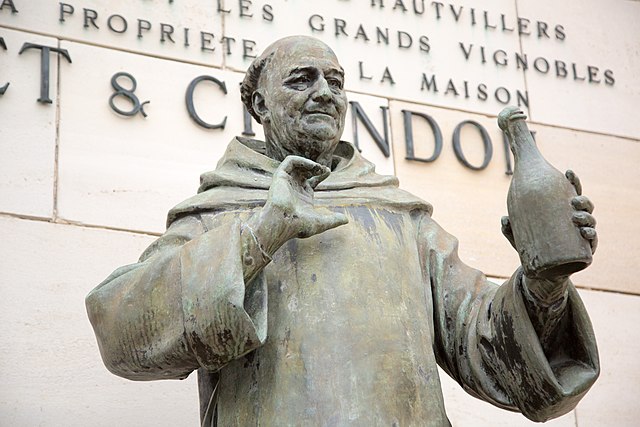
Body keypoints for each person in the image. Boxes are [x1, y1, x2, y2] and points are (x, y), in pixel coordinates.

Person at [86, 36, 599, 426]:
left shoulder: (399, 216)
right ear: (259, 105)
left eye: (335, 81)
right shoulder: (221, 212)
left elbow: (486, 345)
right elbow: (122, 333)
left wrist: (543, 286)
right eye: (301, 79)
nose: (324, 93)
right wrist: (259, 236)